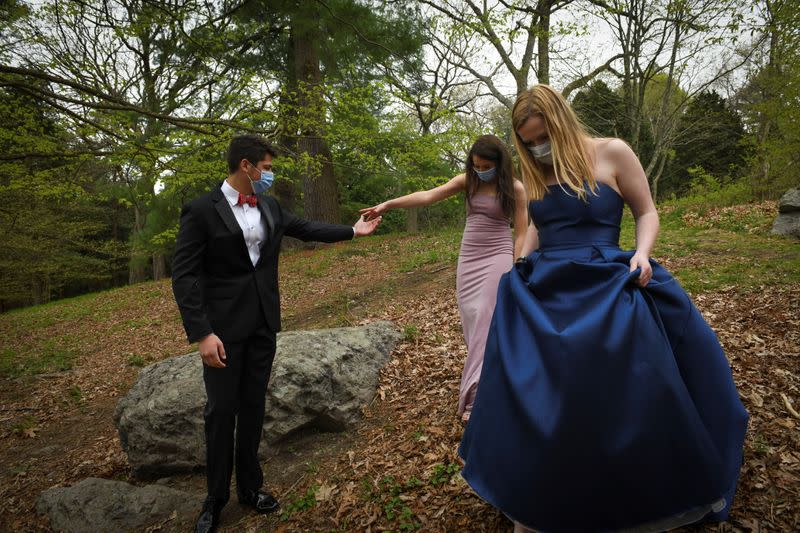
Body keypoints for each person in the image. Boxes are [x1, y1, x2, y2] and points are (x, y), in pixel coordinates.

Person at [458, 85, 748, 532]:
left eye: (542, 135)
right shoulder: (536, 170)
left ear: (560, 121)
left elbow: (646, 211)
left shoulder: (613, 152)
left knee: (637, 371)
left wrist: (643, 254)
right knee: (539, 381)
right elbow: (537, 223)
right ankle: (541, 482)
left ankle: (644, 480)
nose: (538, 147)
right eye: (528, 140)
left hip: (609, 272)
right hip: (546, 282)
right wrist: (520, 259)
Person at [171, 134, 381, 533]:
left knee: (253, 406)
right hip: (222, 332)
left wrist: (353, 232)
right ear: (246, 166)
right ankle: (215, 498)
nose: (270, 174)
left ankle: (251, 488)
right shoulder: (200, 210)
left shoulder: (269, 205)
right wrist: (202, 334)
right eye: (266, 168)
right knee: (221, 412)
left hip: (264, 325)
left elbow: (307, 228)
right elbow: (183, 278)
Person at [361, 135, 528, 423]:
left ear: (500, 164)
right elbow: (427, 195)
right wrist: (387, 204)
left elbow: (522, 232)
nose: (480, 170)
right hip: (470, 256)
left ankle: (477, 395)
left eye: (486, 165)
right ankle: (491, 378)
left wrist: (517, 264)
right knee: (472, 320)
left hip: (498, 253)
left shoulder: (514, 187)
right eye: (476, 165)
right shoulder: (468, 181)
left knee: (486, 317)